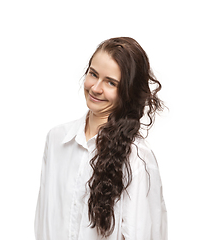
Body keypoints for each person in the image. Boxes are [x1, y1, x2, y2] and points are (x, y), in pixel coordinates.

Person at [34, 37, 167, 240]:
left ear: (127, 92)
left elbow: (143, 233)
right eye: (93, 74)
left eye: (111, 82)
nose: (96, 88)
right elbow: (43, 222)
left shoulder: (137, 157)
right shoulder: (56, 140)